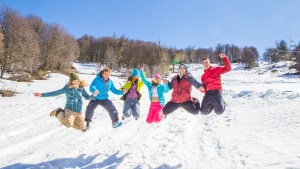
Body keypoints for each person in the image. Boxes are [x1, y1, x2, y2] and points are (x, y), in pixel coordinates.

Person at [34, 72, 98, 131]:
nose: (76, 82)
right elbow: (56, 92)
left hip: (78, 111)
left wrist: (93, 95)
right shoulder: (67, 88)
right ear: (71, 81)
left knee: (82, 127)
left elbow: (87, 97)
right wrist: (42, 95)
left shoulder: (81, 88)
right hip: (70, 110)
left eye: (77, 80)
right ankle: (58, 112)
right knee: (68, 124)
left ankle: (66, 121)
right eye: (74, 81)